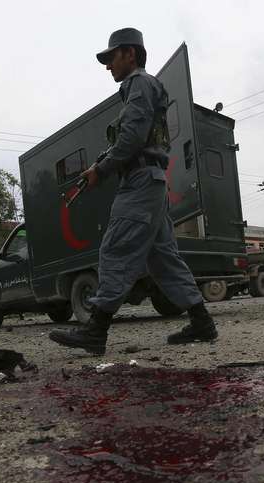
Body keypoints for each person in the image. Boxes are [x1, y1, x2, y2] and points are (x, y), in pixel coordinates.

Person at [49, 28, 216, 355]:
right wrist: (101, 166)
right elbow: (133, 138)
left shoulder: (139, 83)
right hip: (150, 183)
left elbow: (132, 139)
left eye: (111, 57)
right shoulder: (140, 88)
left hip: (140, 184)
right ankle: (202, 323)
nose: (107, 65)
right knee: (164, 259)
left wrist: (100, 169)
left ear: (130, 53)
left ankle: (96, 330)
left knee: (115, 249)